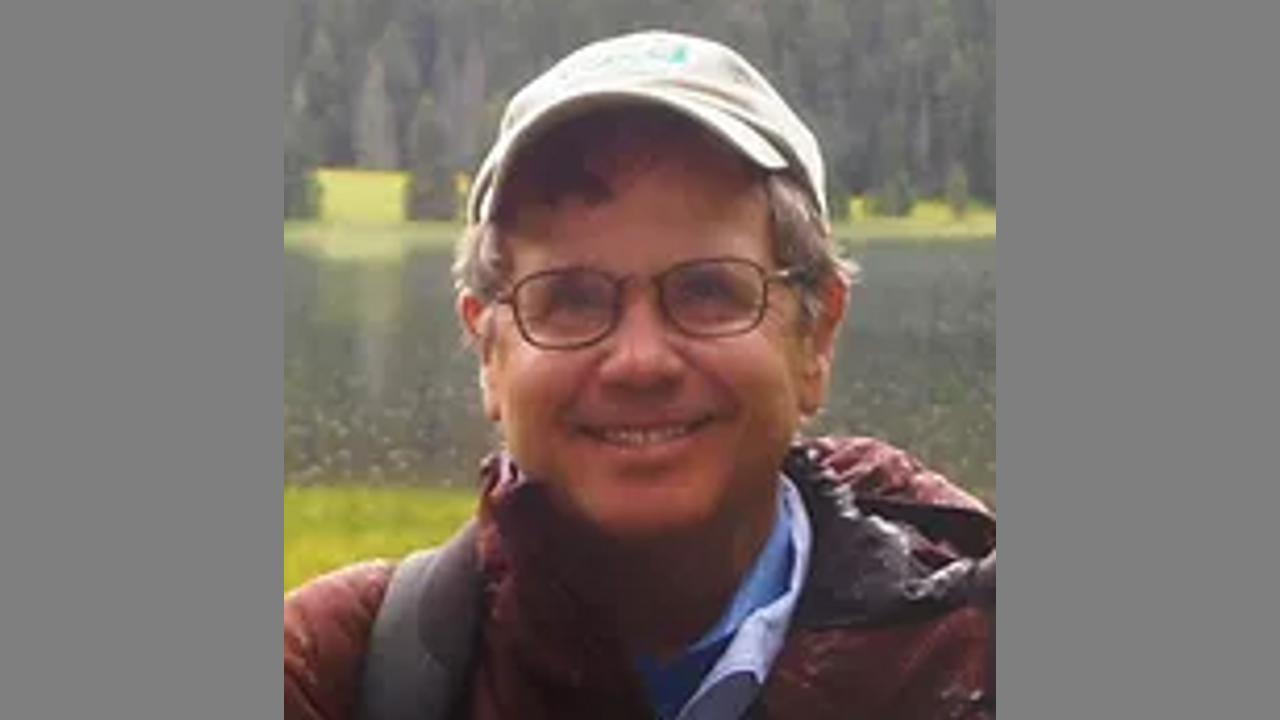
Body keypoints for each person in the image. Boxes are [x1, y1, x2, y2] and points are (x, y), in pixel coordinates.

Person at [284, 29, 997, 720]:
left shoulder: (969, 653)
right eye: (570, 299)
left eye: (708, 290)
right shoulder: (332, 674)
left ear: (816, 336)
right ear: (490, 353)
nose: (640, 361)